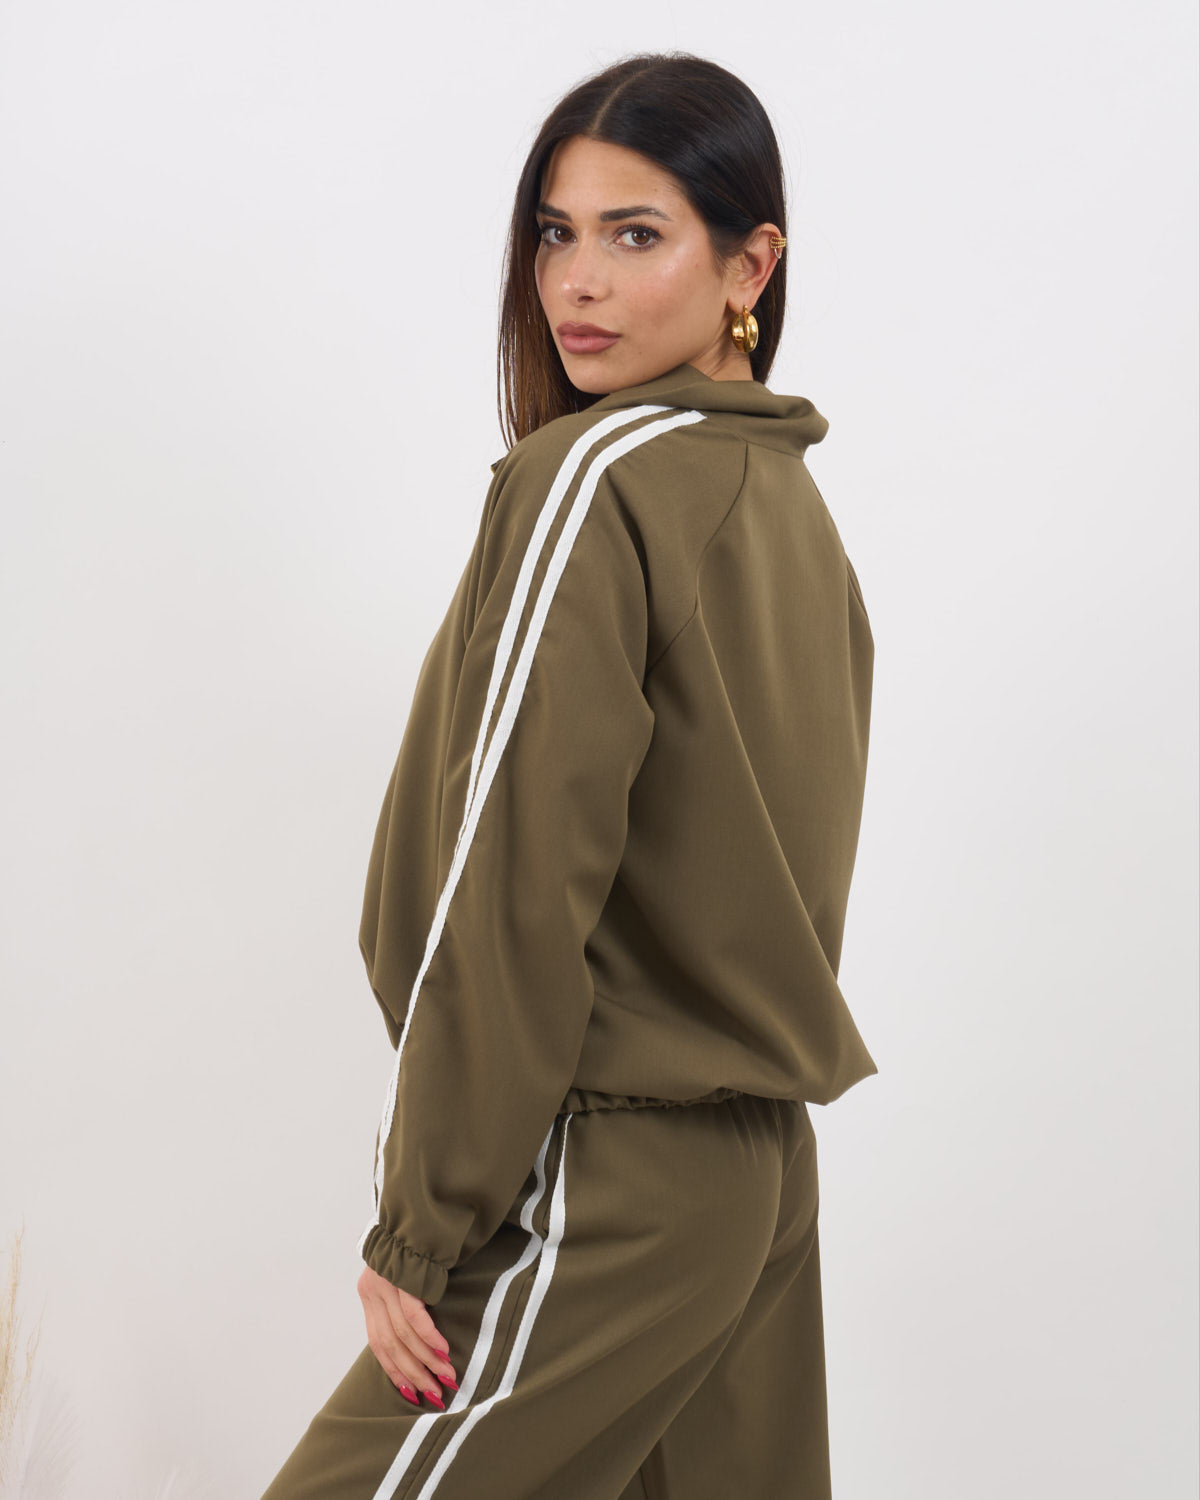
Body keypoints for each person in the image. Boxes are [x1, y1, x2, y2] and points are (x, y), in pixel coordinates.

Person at [261, 49, 877, 1500]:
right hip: (752, 1183)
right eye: (555, 233)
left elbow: (515, 877)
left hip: (599, 1181)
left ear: (753, 264)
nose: (576, 282)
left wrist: (425, 1224)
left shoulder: (591, 481)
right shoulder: (795, 518)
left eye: (635, 234)